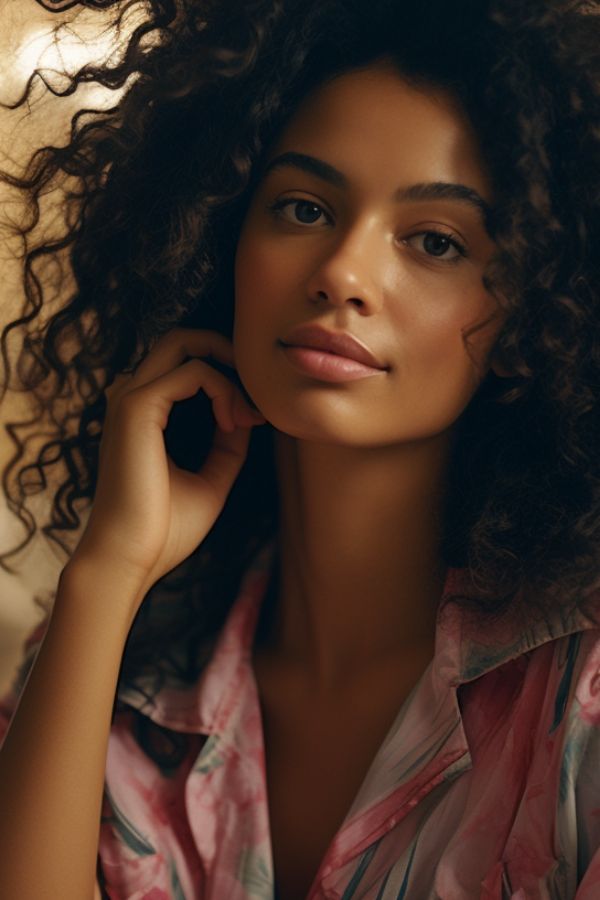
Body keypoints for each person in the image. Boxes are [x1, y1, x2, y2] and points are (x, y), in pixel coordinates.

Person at [1, 0, 600, 896]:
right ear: (217, 243)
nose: (343, 273)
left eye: (435, 241)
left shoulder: (581, 691)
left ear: (528, 322)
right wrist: (107, 573)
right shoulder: (115, 664)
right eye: (303, 207)